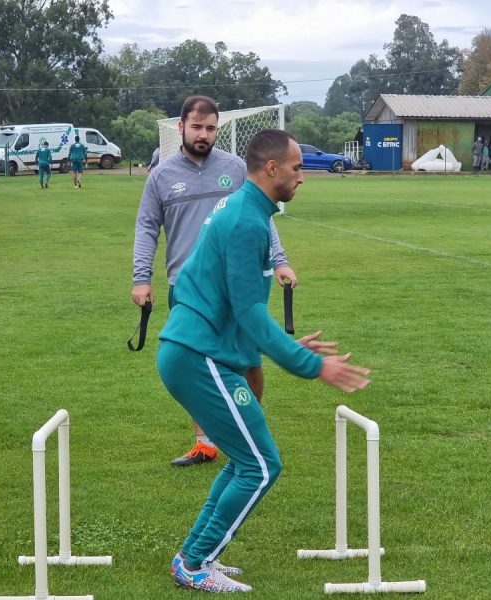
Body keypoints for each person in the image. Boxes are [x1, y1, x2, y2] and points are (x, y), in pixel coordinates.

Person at [159, 129, 371, 593]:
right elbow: (250, 313)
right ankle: (193, 563)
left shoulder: (248, 211)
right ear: (271, 168)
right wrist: (312, 366)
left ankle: (196, 553)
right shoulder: (245, 221)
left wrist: (295, 349)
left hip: (200, 352)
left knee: (244, 460)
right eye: (297, 167)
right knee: (260, 464)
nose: (303, 177)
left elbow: (239, 307)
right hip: (196, 356)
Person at [132, 96, 298, 467]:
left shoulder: (237, 168)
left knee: (248, 362)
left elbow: (262, 215)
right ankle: (205, 442)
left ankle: (247, 433)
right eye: (197, 127)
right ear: (181, 128)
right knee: (197, 364)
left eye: (210, 128)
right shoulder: (161, 176)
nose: (204, 134)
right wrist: (142, 278)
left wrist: (280, 260)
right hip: (188, 287)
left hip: (237, 284)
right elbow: (146, 228)